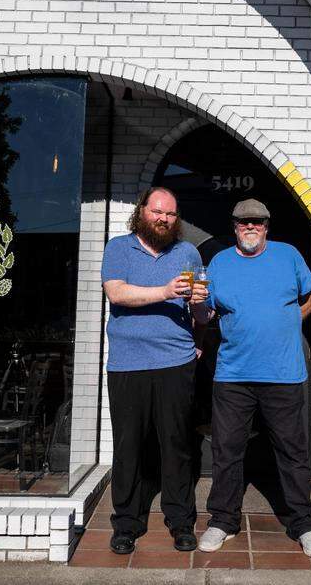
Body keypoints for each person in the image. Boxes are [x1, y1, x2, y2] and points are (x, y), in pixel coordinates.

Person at [193, 198, 311, 558]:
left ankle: (304, 523)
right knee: (226, 451)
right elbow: (206, 314)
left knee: (293, 452)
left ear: (267, 226)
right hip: (233, 375)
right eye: (243, 222)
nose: (250, 227)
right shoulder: (219, 263)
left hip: (283, 373)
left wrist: (291, 319)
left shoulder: (288, 255)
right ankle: (223, 520)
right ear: (235, 226)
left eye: (257, 222)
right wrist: (196, 304)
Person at [100, 187, 208, 554]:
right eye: (157, 211)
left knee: (176, 445)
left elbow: (201, 314)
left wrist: (200, 307)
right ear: (142, 211)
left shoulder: (188, 253)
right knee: (128, 446)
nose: (163, 219)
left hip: (176, 364)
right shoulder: (119, 248)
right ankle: (126, 524)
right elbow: (116, 293)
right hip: (127, 364)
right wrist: (165, 291)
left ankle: (181, 522)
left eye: (170, 214)